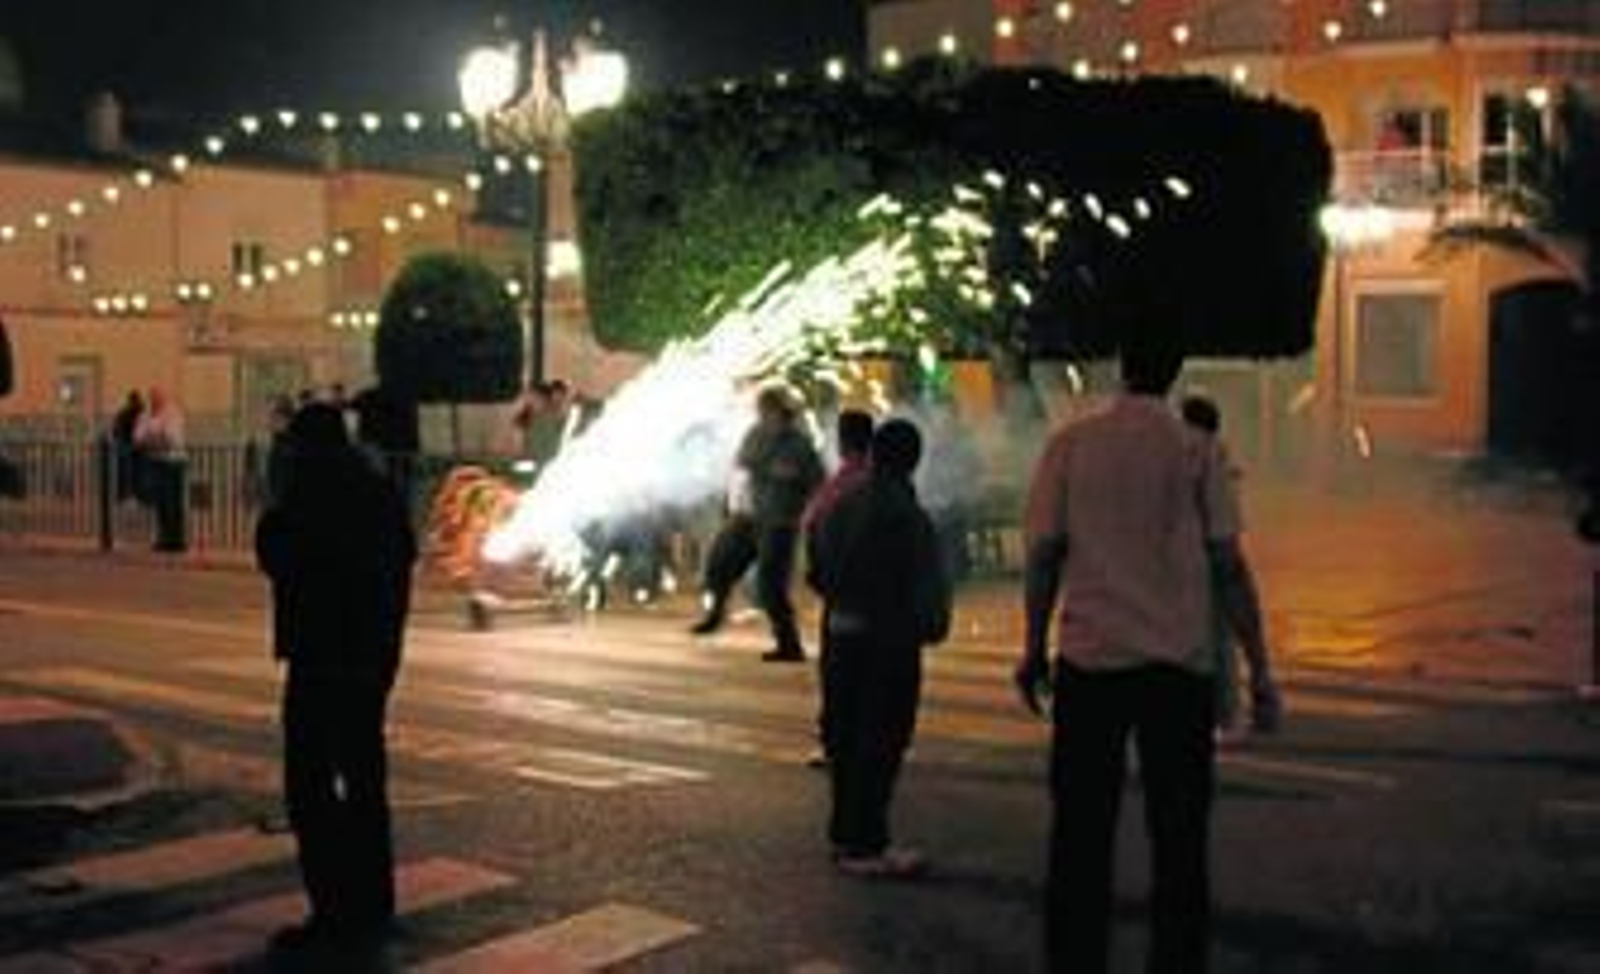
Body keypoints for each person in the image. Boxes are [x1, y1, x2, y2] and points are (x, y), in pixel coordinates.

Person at [1015, 337, 1238, 974]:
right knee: (1179, 837)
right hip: (1177, 668)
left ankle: (1075, 959)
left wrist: (1032, 647)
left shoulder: (1072, 444)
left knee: (1081, 833)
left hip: (1091, 662)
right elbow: (1228, 562)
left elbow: (1044, 554)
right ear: (1174, 371)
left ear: (1120, 367)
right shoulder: (1198, 450)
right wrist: (1254, 663)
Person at [255, 402, 417, 952]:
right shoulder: (377, 490)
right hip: (371, 658)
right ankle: (374, 902)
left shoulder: (307, 494)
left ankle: (334, 909)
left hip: (320, 657)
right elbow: (403, 559)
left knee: (312, 786)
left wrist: (277, 500)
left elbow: (276, 552)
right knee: (366, 784)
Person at [809, 418, 950, 878]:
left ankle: (844, 835)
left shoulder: (840, 502)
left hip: (839, 632)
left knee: (845, 736)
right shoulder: (907, 515)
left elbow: (817, 563)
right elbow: (926, 587)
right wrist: (928, 627)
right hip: (887, 639)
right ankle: (867, 843)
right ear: (914, 460)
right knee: (882, 737)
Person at [693, 386, 824, 662]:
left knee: (771, 586)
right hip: (748, 518)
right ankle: (715, 614)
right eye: (762, 411)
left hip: (779, 522)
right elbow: (741, 467)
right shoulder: (755, 434)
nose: (764, 416)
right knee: (719, 562)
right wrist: (731, 505)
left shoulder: (800, 445)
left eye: (768, 411)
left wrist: (801, 508)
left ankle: (789, 643)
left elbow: (817, 482)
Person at [1180, 395, 1283, 739]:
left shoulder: (1098, 445)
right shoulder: (1208, 454)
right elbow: (1226, 557)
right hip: (1195, 595)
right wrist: (1260, 669)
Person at [800, 408, 877, 768]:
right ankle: (871, 740)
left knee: (840, 675)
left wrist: (820, 580)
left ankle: (837, 745)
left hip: (845, 599)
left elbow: (812, 526)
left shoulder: (841, 484)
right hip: (881, 600)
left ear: (842, 441)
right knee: (872, 675)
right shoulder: (883, 481)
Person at [133, 386, 188, 552]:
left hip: (173, 463)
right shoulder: (146, 415)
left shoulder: (172, 413)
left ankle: (176, 540)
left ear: (164, 398)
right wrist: (155, 438)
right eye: (152, 397)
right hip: (155, 462)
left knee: (173, 504)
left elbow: (172, 439)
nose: (154, 400)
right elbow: (137, 437)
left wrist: (152, 439)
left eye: (157, 397)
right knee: (160, 504)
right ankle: (163, 538)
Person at [109, 389, 145, 504]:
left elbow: (116, 429)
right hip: (131, 445)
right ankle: (130, 495)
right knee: (131, 472)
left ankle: (124, 495)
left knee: (125, 472)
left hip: (125, 445)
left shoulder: (125, 412)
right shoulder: (138, 412)